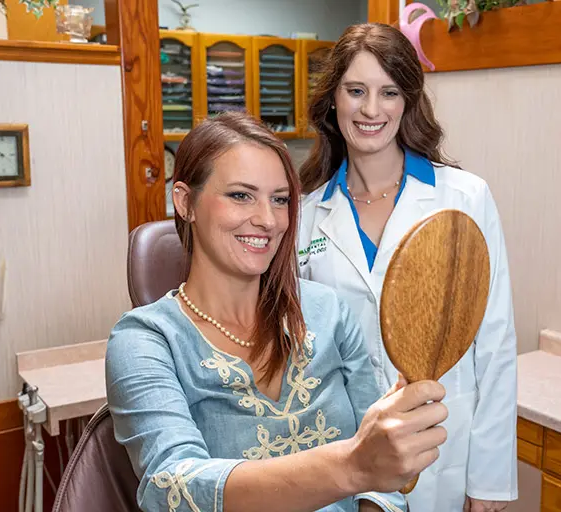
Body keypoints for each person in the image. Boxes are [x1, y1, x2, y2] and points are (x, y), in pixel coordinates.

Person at [105, 112, 450, 512]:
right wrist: (352, 466)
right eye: (240, 195)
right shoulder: (147, 341)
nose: (267, 220)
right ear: (186, 202)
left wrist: (374, 482)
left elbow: (382, 469)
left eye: (280, 200)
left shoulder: (328, 312)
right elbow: (171, 488)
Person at [298, 23, 518, 512]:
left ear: (408, 101)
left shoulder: (464, 198)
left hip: (445, 447)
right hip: (344, 450)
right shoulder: (306, 214)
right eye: (356, 91)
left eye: (388, 92)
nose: (371, 110)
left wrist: (490, 481)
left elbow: (496, 343)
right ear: (334, 100)